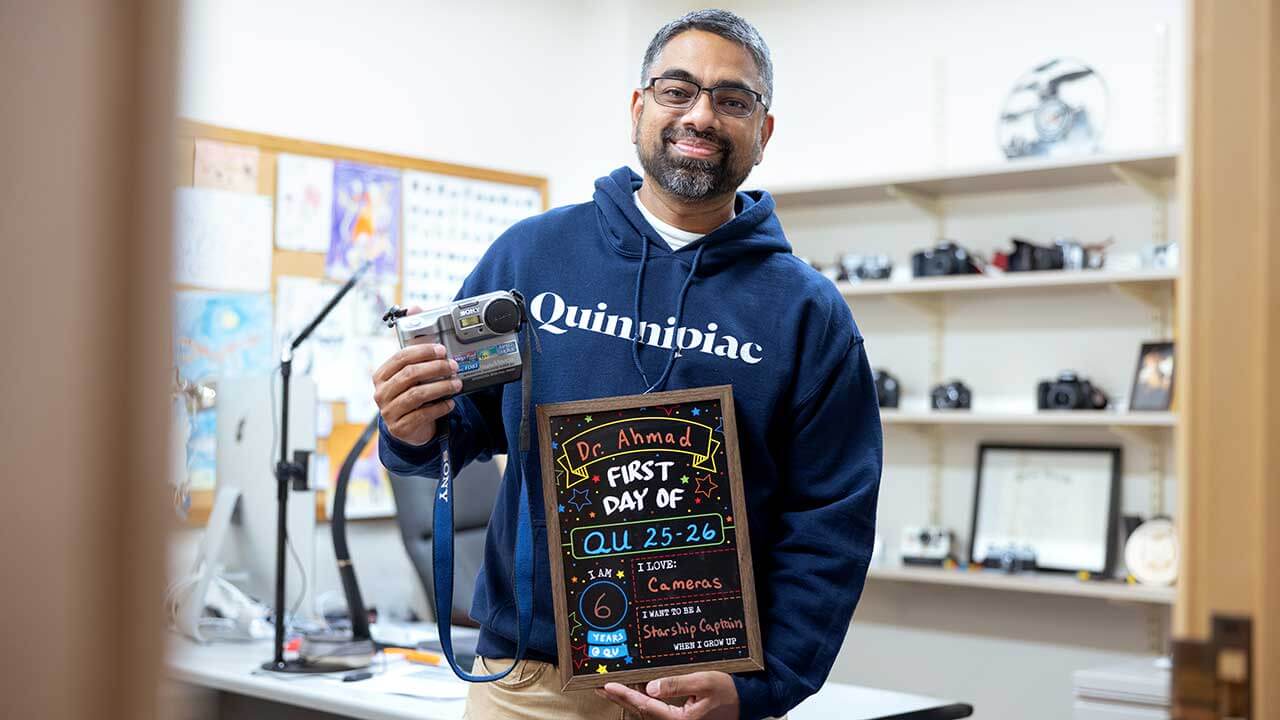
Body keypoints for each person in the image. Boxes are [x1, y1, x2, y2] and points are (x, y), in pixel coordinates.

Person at [375, 10, 881, 720]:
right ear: (638, 108)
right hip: (528, 687)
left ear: (763, 134)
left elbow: (832, 523)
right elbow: (449, 440)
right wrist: (411, 422)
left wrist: (765, 685)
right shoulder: (530, 257)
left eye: (733, 100)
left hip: (703, 691)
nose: (701, 115)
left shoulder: (808, 313)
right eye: (677, 91)